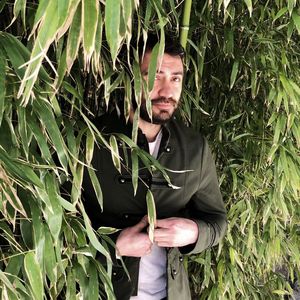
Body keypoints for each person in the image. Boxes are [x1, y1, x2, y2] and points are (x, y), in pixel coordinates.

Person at [82, 34, 227, 300]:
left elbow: (217, 221)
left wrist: (194, 232)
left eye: (175, 78)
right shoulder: (90, 142)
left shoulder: (195, 148)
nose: (167, 91)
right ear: (128, 79)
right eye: (155, 76)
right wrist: (114, 246)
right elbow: (51, 223)